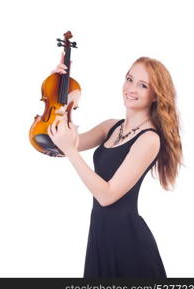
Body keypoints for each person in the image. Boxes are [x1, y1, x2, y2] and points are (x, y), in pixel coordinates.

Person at [49, 56, 182, 277]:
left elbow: (107, 196)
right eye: (129, 79)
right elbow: (56, 143)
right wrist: (58, 90)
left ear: (155, 95)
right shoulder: (110, 127)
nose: (131, 88)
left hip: (129, 246)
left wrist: (70, 151)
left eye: (142, 85)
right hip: (100, 237)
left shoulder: (150, 139)